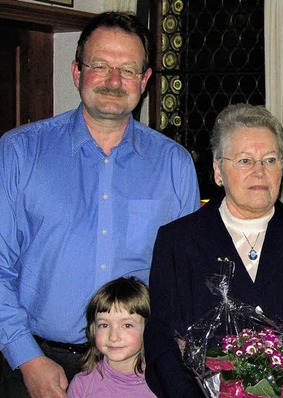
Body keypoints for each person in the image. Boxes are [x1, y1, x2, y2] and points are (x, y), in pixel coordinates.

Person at [0, 12, 200, 398]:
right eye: (100, 66)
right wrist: (26, 358)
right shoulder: (19, 152)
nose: (113, 81)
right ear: (77, 72)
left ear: (144, 81)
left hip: (138, 372)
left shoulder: (174, 163)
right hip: (38, 362)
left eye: (127, 69)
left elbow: (183, 276)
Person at [143, 103, 283, 397]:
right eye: (245, 161)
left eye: (271, 160)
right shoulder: (178, 241)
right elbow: (162, 342)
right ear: (218, 171)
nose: (260, 171)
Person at [67, 277, 155, 397]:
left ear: (148, 328)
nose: (113, 337)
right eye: (104, 325)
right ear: (94, 330)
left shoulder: (165, 382)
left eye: (127, 325)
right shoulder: (82, 384)